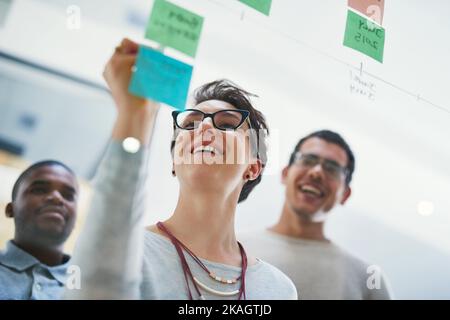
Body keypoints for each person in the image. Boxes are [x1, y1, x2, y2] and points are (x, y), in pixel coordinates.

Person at [65, 38, 297, 300]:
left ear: (253, 168)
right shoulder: (129, 251)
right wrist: (134, 117)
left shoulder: (278, 290)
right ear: (175, 161)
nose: (204, 128)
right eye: (191, 124)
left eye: (228, 123)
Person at [240, 130, 393, 299]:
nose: (317, 172)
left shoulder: (368, 280)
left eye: (332, 168)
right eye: (308, 160)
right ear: (285, 174)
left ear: (345, 194)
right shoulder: (236, 249)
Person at [0, 160, 78, 299]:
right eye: (39, 190)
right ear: (11, 209)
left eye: (68, 195)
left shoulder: (94, 286)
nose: (57, 198)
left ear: (75, 220)